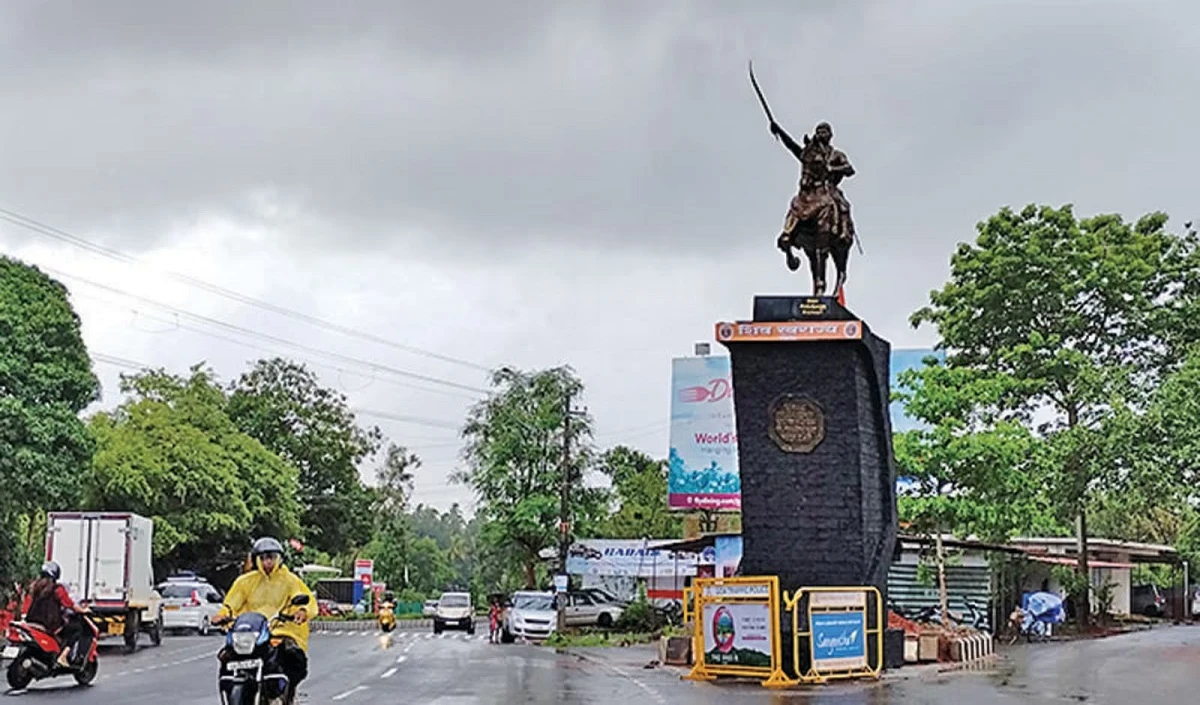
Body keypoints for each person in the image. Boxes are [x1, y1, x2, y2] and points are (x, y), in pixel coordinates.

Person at [216, 537, 315, 697]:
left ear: (279, 559)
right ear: (256, 559)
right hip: (253, 633)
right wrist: (222, 615)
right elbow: (231, 603)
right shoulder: (245, 581)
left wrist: (302, 611)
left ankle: (287, 693)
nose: (267, 562)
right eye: (263, 558)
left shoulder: (290, 580)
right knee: (226, 657)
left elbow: (303, 598)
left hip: (281, 630)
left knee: (293, 656)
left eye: (271, 557)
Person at [21, 562, 92, 668]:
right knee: (77, 629)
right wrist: (83, 610)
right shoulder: (57, 589)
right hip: (49, 624)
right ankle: (63, 656)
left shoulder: (35, 586)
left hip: (31, 621)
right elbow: (69, 604)